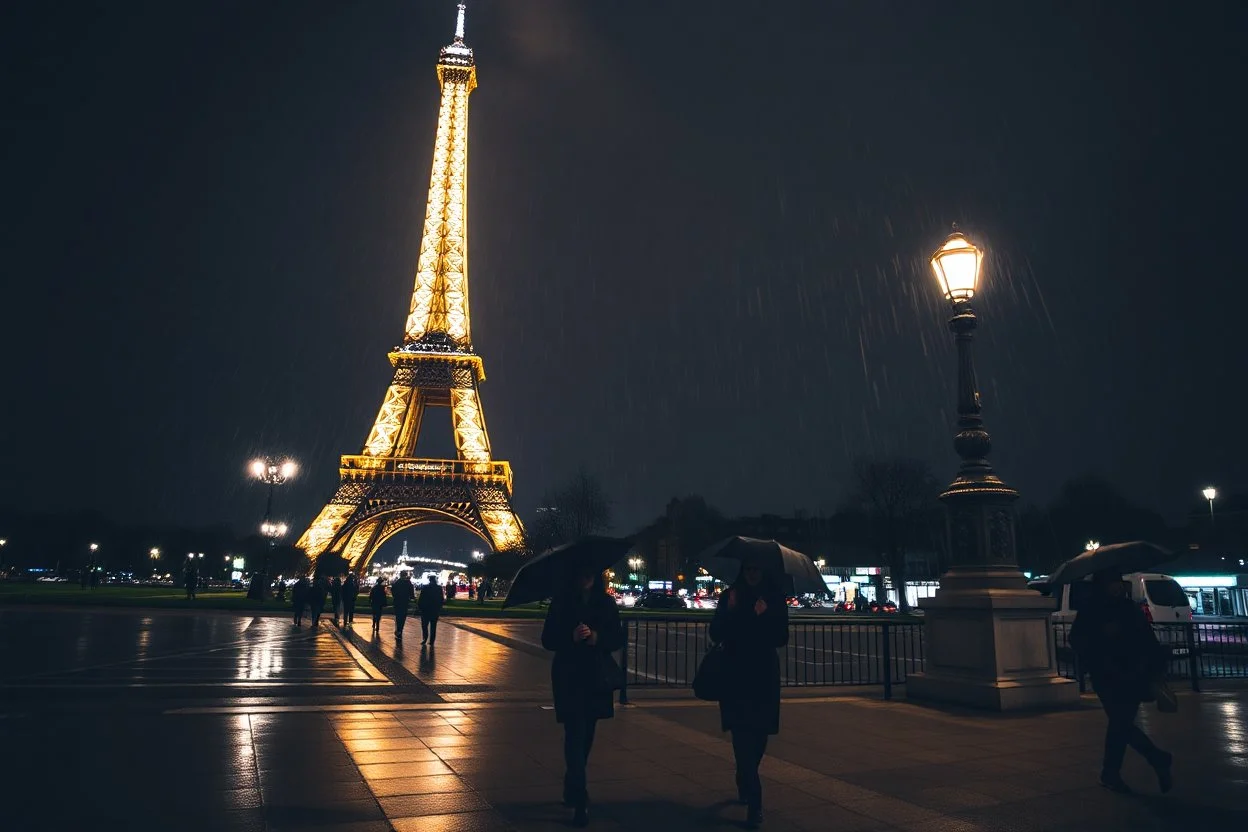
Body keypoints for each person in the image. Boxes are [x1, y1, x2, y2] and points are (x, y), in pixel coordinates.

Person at [1069, 569, 1173, 794]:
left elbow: (1147, 640)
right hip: (1108, 675)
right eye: (1111, 582)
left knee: (1120, 724)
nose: (1116, 586)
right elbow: (1077, 640)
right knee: (1120, 723)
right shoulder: (1093, 610)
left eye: (1118, 582)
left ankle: (1115, 772)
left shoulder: (1127, 608)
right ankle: (1151, 759)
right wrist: (1102, 636)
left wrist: (1155, 666)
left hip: (1131, 674)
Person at [541, 568, 625, 828]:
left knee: (585, 735)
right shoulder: (562, 602)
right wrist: (571, 637)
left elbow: (617, 638)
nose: (586, 576)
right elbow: (548, 639)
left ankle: (572, 781)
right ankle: (580, 797)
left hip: (595, 677)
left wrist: (596, 638)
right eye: (582, 571)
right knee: (576, 733)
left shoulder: (606, 603)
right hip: (570, 677)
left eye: (590, 572)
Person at [709, 556, 788, 829]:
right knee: (742, 735)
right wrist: (731, 611)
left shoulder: (774, 599)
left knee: (760, 736)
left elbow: (781, 637)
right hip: (736, 674)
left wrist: (765, 615)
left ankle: (745, 774)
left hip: (763, 675)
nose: (752, 573)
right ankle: (755, 803)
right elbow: (716, 632)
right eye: (748, 568)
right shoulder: (730, 596)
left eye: (756, 568)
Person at [419, 575, 445, 645]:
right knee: (433, 626)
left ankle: (425, 638)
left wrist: (420, 607)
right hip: (435, 610)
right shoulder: (439, 588)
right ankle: (432, 641)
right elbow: (441, 599)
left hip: (426, 609)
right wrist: (439, 607)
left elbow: (421, 598)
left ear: (429, 580)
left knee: (424, 625)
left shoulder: (425, 587)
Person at [391, 571, 415, 641]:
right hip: (405, 602)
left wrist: (396, 596)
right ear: (406, 575)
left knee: (398, 616)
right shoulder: (408, 583)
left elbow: (393, 591)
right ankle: (400, 630)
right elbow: (412, 594)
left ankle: (398, 630)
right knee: (403, 617)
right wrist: (411, 598)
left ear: (400, 575)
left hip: (397, 602)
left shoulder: (397, 582)